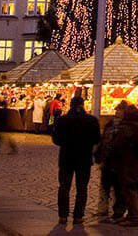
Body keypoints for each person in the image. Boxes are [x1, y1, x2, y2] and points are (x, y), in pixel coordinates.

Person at [50, 95, 101, 227]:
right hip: (84, 158)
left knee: (64, 187)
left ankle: (62, 216)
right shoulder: (92, 120)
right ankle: (78, 216)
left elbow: (56, 140)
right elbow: (96, 139)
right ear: (83, 105)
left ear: (71, 105)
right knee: (82, 188)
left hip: (66, 158)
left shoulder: (62, 120)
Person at [99, 103, 138, 227]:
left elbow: (117, 146)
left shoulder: (126, 128)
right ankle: (131, 215)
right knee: (135, 191)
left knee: (129, 191)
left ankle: (133, 217)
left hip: (128, 166)